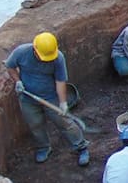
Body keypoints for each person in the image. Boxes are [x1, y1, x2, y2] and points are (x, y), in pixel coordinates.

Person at [5, 32, 90, 166]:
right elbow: (10, 66)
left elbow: (60, 81)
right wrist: (17, 81)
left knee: (65, 123)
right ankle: (43, 147)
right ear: (35, 49)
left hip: (51, 98)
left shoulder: (58, 58)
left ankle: (81, 147)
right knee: (35, 124)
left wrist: (62, 103)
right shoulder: (21, 52)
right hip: (28, 98)